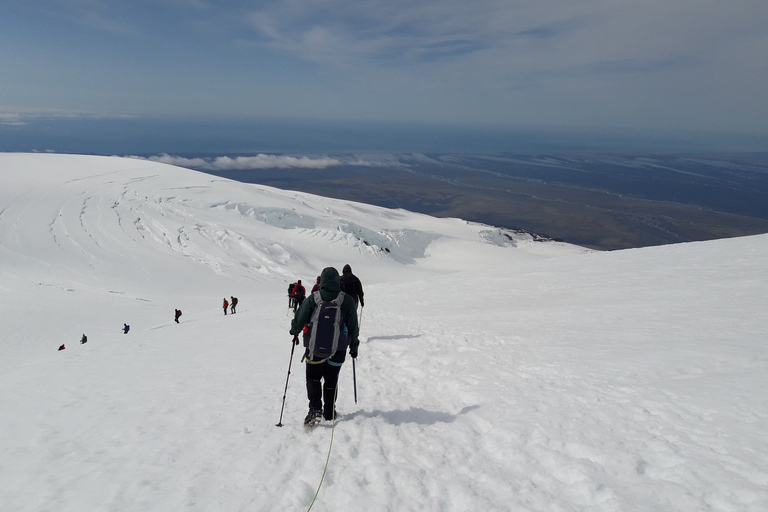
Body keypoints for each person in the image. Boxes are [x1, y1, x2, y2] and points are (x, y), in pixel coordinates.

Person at [290, 267, 359, 425]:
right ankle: (329, 411)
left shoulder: (314, 298)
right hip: (338, 350)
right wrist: (354, 346)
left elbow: (299, 319)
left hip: (315, 350)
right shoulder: (346, 300)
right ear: (337, 280)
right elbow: (354, 326)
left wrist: (294, 330)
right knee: (331, 379)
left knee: (313, 377)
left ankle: (315, 408)